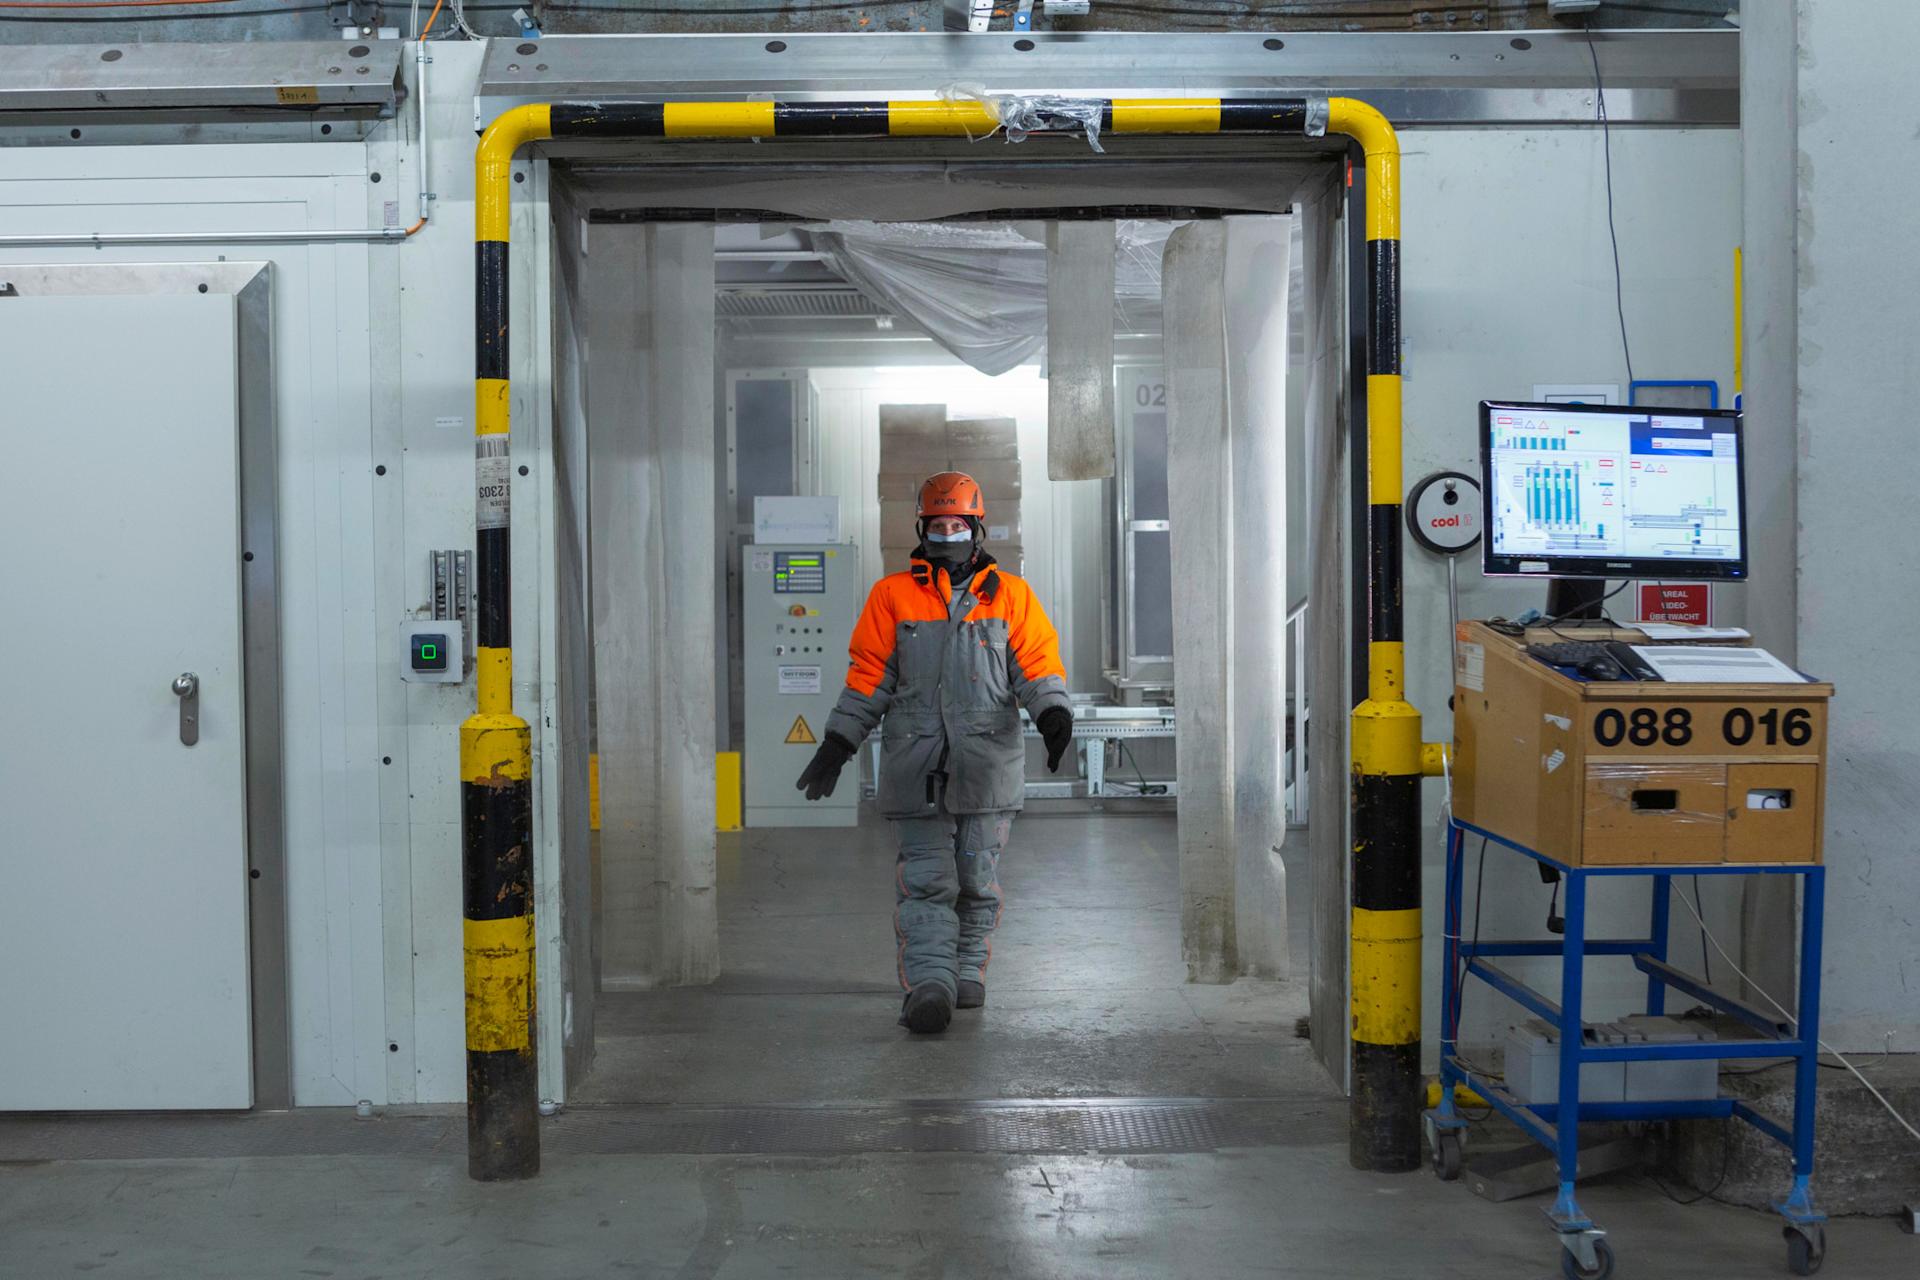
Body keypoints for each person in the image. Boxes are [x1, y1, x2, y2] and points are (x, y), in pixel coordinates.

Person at [794, 471, 1074, 1034]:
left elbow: (1037, 664)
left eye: (957, 525)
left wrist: (1052, 712)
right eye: (937, 526)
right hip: (915, 768)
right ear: (922, 529)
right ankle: (931, 985)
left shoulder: (1010, 596)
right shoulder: (891, 595)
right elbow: (869, 677)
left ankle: (967, 969)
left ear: (976, 529)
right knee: (926, 883)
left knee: (976, 882)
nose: (948, 535)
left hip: (986, 769)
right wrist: (838, 741)